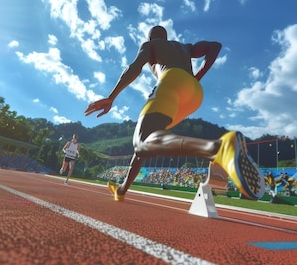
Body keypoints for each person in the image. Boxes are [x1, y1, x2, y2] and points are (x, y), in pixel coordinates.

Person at [84, 25, 264, 201]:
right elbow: (214, 46)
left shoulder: (151, 45)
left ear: (149, 38)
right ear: (166, 37)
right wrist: (197, 76)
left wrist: (111, 97)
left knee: (142, 141)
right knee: (145, 145)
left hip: (171, 83)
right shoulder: (184, 47)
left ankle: (218, 149)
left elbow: (134, 67)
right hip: (194, 92)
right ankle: (122, 190)